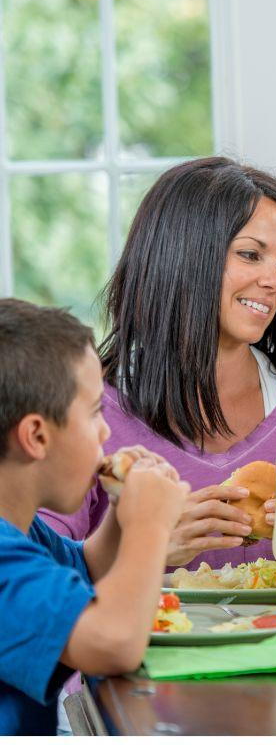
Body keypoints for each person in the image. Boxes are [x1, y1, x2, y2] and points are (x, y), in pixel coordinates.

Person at [41, 157, 276, 569]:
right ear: (181, 256)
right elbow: (26, 585)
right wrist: (144, 548)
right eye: (250, 254)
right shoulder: (87, 410)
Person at [0, 299, 188, 735]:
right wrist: (150, 525)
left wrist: (122, 516)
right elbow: (113, 642)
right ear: (36, 436)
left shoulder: (22, 530)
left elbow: (88, 570)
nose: (106, 431)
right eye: (94, 413)